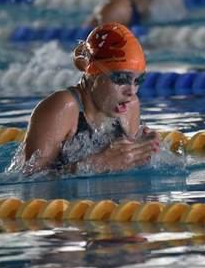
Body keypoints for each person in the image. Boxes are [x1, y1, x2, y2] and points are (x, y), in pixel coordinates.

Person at [22, 22, 159, 175]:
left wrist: (141, 156)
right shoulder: (62, 108)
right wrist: (99, 163)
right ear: (93, 74)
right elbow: (31, 182)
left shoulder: (130, 107)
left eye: (138, 81)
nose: (131, 91)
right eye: (121, 78)